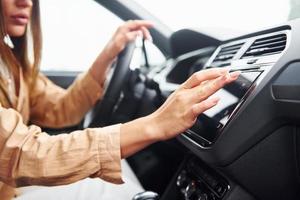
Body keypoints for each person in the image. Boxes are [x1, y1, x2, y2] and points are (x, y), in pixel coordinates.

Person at [0, 0, 240, 199]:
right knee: (119, 190)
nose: (26, 3)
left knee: (119, 177)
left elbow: (60, 109)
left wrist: (108, 54)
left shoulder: (10, 62)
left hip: (9, 186)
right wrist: (155, 124)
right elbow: (21, 154)